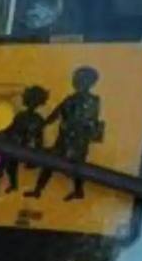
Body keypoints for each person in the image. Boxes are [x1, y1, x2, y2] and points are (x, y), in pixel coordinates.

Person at [26, 67, 104, 201]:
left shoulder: (93, 100)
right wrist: (42, 124)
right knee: (49, 164)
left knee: (77, 169)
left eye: (79, 78)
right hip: (63, 139)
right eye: (75, 78)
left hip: (78, 142)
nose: (75, 81)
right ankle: (38, 190)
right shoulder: (70, 99)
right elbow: (56, 114)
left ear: (89, 82)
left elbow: (88, 121)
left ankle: (78, 192)